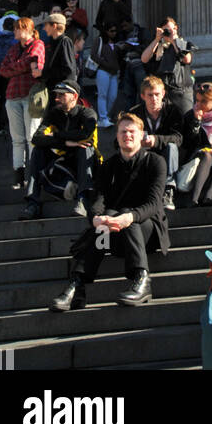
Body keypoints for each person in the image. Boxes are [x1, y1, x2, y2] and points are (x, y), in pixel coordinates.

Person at [50, 110, 168, 311]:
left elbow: (154, 204)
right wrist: (96, 218)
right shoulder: (109, 166)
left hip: (148, 230)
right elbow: (98, 199)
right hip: (113, 234)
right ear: (116, 135)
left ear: (141, 135)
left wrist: (128, 217)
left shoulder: (155, 162)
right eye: (122, 132)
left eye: (131, 131)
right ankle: (78, 284)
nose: (127, 136)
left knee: (125, 214)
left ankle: (142, 278)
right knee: (106, 221)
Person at [20, 79, 98, 220]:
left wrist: (56, 135)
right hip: (62, 159)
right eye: (56, 95)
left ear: (74, 96)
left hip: (86, 162)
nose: (57, 98)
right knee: (38, 150)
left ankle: (83, 199)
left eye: (62, 95)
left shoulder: (88, 113)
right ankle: (33, 202)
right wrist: (66, 143)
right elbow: (36, 138)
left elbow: (86, 135)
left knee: (85, 149)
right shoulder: (54, 114)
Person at [0, 17, 46, 188]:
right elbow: (2, 70)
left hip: (30, 95)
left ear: (27, 29)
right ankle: (18, 177)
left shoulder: (38, 44)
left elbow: (35, 63)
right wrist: (22, 66)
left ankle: (34, 175)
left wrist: (15, 67)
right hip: (12, 95)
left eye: (18, 28)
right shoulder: (13, 48)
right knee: (17, 139)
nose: (15, 31)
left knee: (32, 137)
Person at [129, 75, 183, 211]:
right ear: (143, 96)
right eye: (150, 95)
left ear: (163, 94)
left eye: (157, 94)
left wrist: (155, 140)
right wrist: (136, 142)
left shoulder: (172, 110)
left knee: (172, 146)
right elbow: (118, 141)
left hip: (165, 152)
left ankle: (168, 191)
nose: (154, 99)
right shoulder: (135, 114)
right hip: (143, 154)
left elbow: (178, 138)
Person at [140, 17, 195, 115]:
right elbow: (144, 59)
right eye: (165, 30)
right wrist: (157, 39)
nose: (168, 32)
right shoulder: (157, 46)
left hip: (181, 92)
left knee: (185, 121)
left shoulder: (184, 44)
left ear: (176, 28)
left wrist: (174, 41)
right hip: (161, 93)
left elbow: (187, 59)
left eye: (170, 29)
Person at [40, 11, 77, 107]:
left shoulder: (65, 41)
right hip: (54, 90)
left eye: (46, 25)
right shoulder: (52, 42)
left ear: (54, 26)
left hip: (62, 93)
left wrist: (44, 73)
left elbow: (68, 69)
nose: (44, 28)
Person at [88, 21, 122, 128]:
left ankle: (106, 116)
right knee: (102, 95)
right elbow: (93, 55)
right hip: (103, 71)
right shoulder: (100, 40)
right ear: (106, 31)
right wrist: (105, 63)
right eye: (111, 31)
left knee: (113, 96)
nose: (114, 33)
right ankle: (103, 118)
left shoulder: (117, 42)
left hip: (114, 73)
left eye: (115, 31)